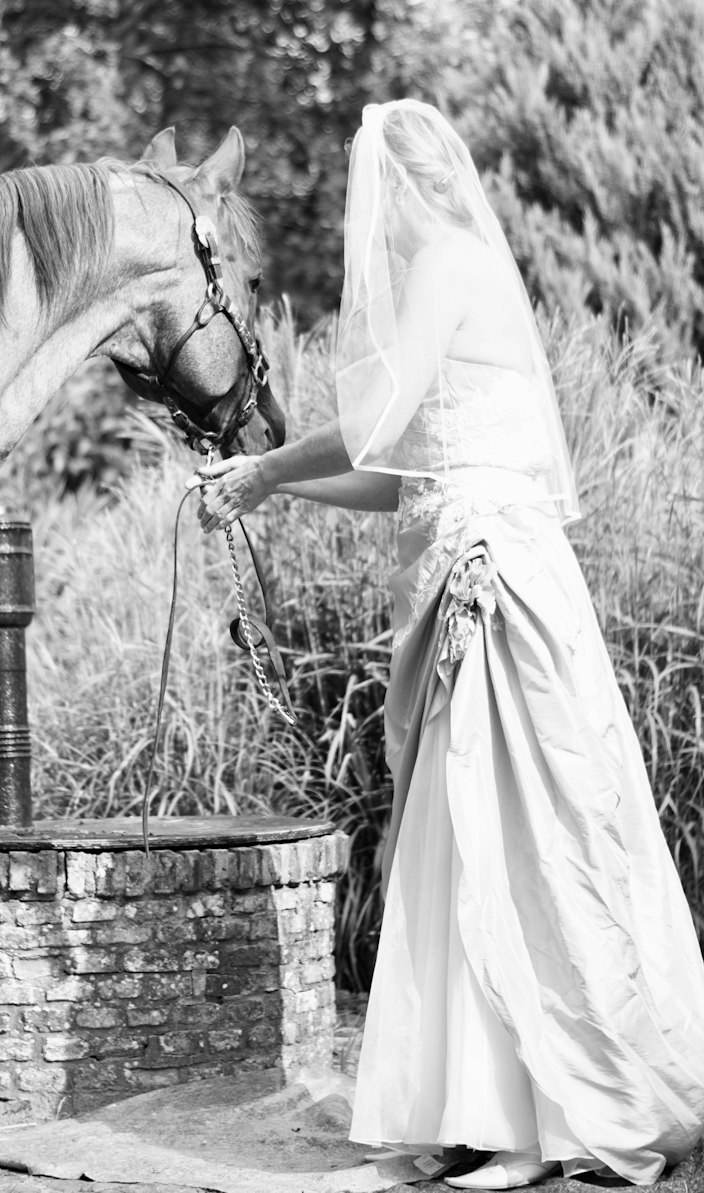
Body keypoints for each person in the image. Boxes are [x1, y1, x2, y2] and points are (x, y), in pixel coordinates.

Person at [188, 99, 704, 1189]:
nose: (362, 222)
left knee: (507, 829)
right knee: (454, 839)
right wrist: (263, 488)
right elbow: (396, 474)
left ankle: (541, 1118)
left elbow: (379, 425)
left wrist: (268, 466)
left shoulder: (444, 263)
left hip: (492, 583)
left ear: (405, 188)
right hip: (458, 558)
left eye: (369, 193)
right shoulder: (464, 271)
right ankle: (476, 1107)